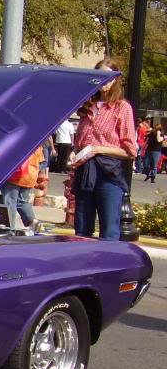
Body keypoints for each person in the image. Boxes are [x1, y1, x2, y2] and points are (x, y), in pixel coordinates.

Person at [69, 58, 137, 240]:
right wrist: (74, 153)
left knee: (109, 228)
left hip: (108, 172)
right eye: (100, 76)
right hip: (85, 171)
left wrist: (98, 149)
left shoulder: (122, 108)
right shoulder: (87, 107)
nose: (104, 82)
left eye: (108, 77)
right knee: (82, 228)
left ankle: (110, 263)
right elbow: (80, 143)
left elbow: (130, 151)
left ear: (115, 79)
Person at [2, 145, 44, 233]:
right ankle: (33, 221)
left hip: (16, 173)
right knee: (22, 202)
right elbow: (41, 161)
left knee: (10, 202)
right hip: (31, 174)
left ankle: (9, 229)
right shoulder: (38, 141)